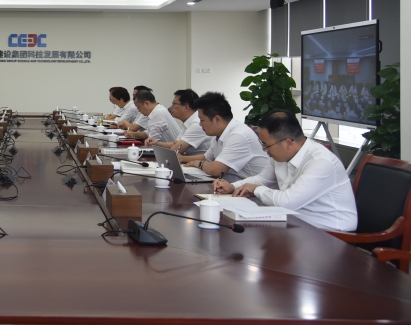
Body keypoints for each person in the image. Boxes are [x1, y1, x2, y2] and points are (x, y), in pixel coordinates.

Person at [214, 110, 357, 231]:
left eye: (266, 145)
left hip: (330, 233)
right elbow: (261, 180)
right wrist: (233, 187)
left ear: (288, 142)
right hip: (296, 223)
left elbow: (287, 202)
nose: (264, 150)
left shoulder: (321, 162)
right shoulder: (281, 155)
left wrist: (256, 189)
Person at [179, 92, 267, 181]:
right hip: (233, 185)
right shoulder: (219, 134)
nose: (200, 124)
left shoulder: (238, 135)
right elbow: (207, 157)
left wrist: (200, 164)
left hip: (252, 188)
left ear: (217, 119)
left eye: (202, 120)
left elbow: (216, 170)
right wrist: (182, 159)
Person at [146, 89, 210, 156]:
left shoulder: (196, 124)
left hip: (199, 162)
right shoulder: (189, 122)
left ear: (186, 107)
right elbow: (175, 144)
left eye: (174, 104)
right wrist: (156, 144)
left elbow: (175, 149)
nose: (171, 107)